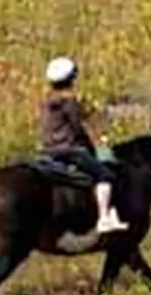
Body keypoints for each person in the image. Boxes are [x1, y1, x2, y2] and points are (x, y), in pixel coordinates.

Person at [36, 55, 126, 237]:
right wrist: (97, 145)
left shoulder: (48, 102)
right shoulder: (69, 102)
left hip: (47, 149)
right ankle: (103, 218)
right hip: (70, 150)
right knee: (105, 175)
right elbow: (78, 128)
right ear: (72, 78)